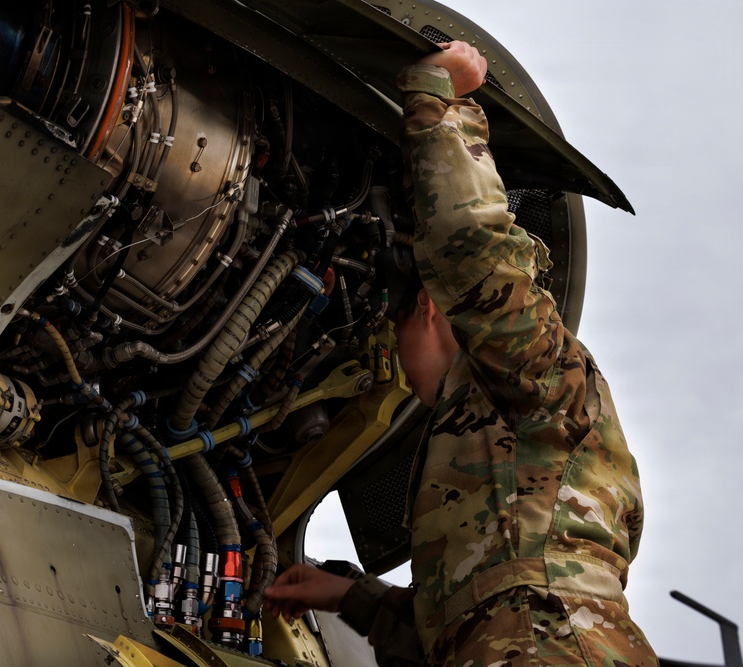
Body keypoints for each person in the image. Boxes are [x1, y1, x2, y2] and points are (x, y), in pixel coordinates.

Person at [264, 42, 657, 666]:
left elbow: (469, 245)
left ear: (428, 308)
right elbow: (467, 621)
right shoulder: (496, 426)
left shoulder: (540, 374)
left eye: (393, 329)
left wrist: (437, 97)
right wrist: (351, 597)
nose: (390, 356)